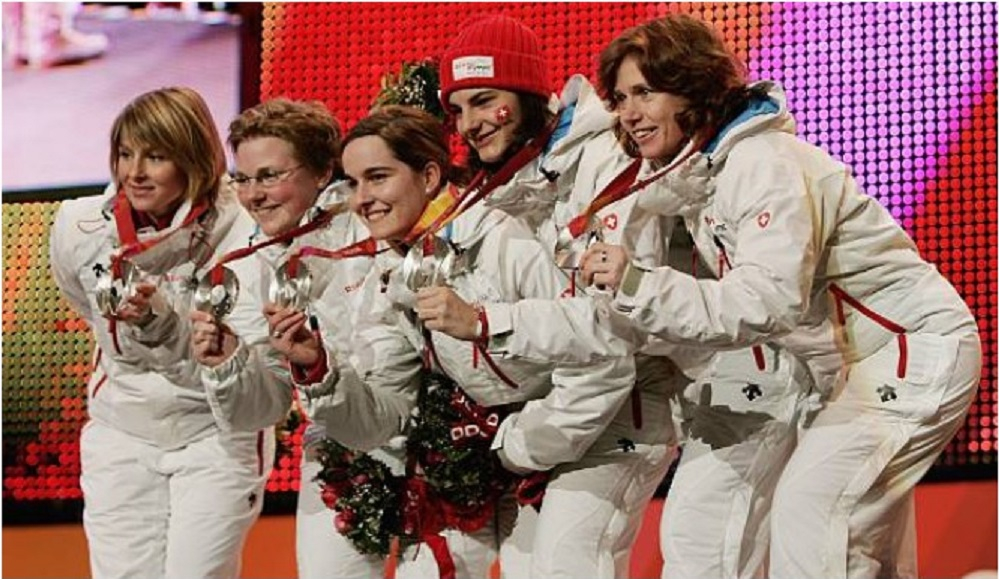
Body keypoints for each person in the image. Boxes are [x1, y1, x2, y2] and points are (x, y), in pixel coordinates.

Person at [585, 14, 980, 579]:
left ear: (693, 87)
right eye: (621, 98)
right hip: (852, 370)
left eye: (645, 92)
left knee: (813, 510)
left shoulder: (761, 162)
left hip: (907, 348)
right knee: (861, 548)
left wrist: (638, 284)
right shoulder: (707, 177)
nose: (629, 113)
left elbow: (768, 301)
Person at [290, 104, 635, 578]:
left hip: (574, 437)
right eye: (353, 183)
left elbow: (604, 353)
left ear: (430, 175)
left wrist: (525, 445)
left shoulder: (500, 240)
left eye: (378, 177)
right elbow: (388, 411)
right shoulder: (390, 272)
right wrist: (319, 371)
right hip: (483, 452)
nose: (361, 199)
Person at [417, 15, 683, 578]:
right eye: (457, 110)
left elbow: (615, 329)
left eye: (484, 101)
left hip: (638, 395)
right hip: (579, 408)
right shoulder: (512, 182)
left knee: (571, 564)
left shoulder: (607, 159)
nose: (469, 124)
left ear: (529, 95)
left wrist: (520, 442)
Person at [49, 86, 269, 579]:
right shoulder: (78, 226)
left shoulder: (246, 231)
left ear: (193, 159)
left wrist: (162, 323)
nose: (135, 172)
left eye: (155, 156)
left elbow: (241, 355)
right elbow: (82, 301)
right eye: (125, 153)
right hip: (121, 430)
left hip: (214, 433)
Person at [187, 98, 381, 579]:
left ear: (323, 172)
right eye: (243, 179)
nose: (253, 196)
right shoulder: (247, 264)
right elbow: (263, 409)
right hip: (338, 443)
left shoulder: (376, 223)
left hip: (426, 434)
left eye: (270, 176)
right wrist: (229, 362)